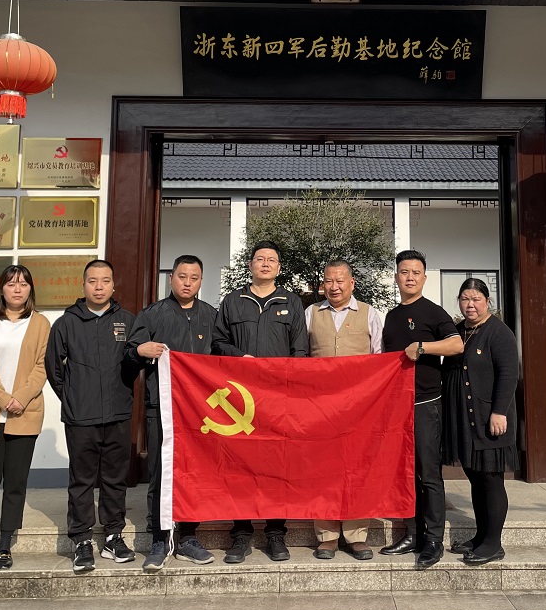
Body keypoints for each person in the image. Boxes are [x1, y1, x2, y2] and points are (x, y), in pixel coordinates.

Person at [212, 240, 310, 563]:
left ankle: (275, 533)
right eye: (260, 259)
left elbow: (300, 351)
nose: (265, 264)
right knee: (240, 467)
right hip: (240, 401)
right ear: (251, 264)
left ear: (278, 267)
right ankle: (240, 535)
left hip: (278, 400)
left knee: (276, 465)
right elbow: (217, 342)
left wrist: (290, 388)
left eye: (271, 260)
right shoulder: (233, 301)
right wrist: (240, 357)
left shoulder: (291, 302)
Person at [125, 254, 218, 570]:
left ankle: (189, 537)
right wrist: (140, 350)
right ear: (171, 278)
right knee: (161, 474)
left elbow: (223, 359)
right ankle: (159, 538)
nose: (187, 283)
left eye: (194, 277)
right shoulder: (152, 315)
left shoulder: (211, 316)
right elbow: (128, 357)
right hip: (161, 408)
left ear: (201, 281)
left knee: (195, 474)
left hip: (200, 412)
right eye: (182, 276)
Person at [45, 259, 138, 574]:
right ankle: (81, 539)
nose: (99, 287)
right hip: (80, 416)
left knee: (115, 478)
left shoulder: (127, 320)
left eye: (105, 281)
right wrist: (72, 396)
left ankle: (113, 535)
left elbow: (135, 361)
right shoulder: (66, 323)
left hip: (118, 413)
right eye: (93, 281)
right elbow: (54, 368)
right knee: (82, 479)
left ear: (113, 285)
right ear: (83, 284)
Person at [379, 249, 463, 570]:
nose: (410, 277)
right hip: (397, 407)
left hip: (426, 403)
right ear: (396, 277)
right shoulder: (391, 316)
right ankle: (412, 533)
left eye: (416, 272)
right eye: (404, 272)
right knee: (404, 472)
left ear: (424, 278)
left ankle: (433, 540)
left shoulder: (432, 312)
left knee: (428, 474)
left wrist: (424, 347)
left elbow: (456, 344)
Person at [0, 264, 50, 573]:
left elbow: (43, 365)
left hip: (24, 414)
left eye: (24, 284)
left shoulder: (41, 323)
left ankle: (5, 544)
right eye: (11, 283)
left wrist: (21, 398)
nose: (17, 289)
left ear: (30, 290)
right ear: (1, 288)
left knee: (15, 483)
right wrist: (4, 399)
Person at [304, 259, 384, 561]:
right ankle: (326, 536)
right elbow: (300, 358)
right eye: (329, 281)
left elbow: (380, 359)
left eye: (340, 281)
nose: (334, 287)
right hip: (320, 407)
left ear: (352, 283)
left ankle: (356, 535)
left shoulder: (370, 313)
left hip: (358, 408)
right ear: (322, 284)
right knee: (322, 470)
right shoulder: (311, 313)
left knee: (357, 469)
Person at [442, 277, 520, 565]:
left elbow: (509, 374)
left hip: (490, 419)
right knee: (475, 477)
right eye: (465, 299)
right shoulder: (459, 331)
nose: (470, 304)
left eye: (476, 299)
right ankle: (481, 535)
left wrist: (499, 411)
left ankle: (493, 543)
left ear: (487, 302)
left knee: (491, 479)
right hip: (465, 419)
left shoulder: (499, 332)